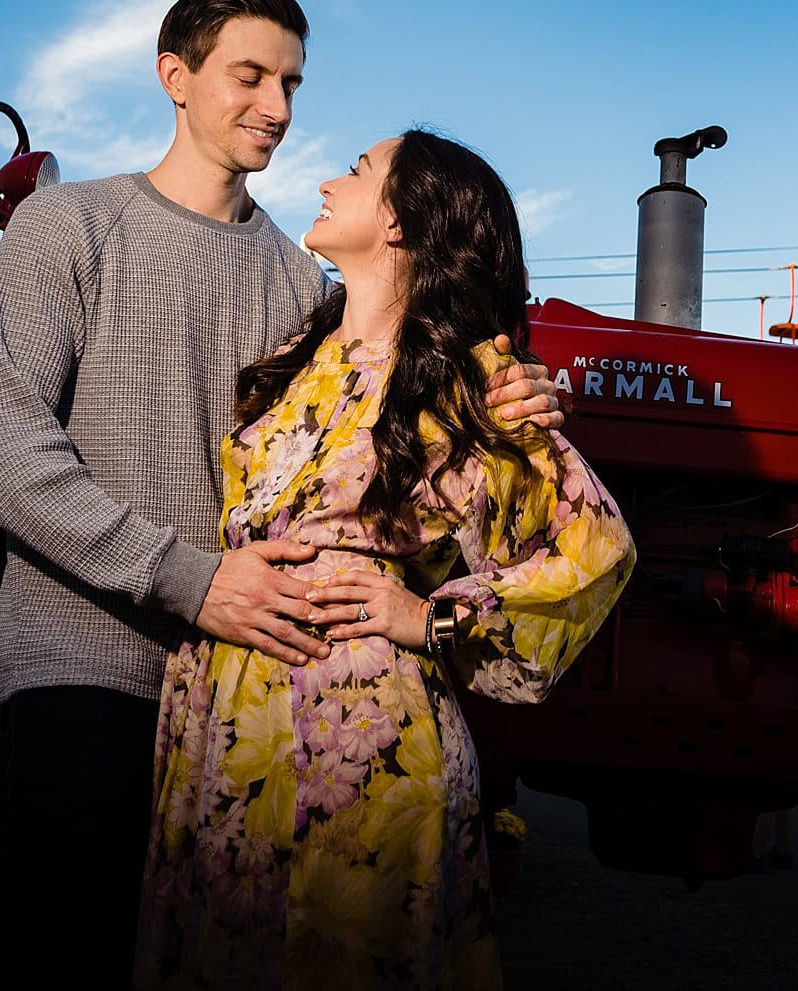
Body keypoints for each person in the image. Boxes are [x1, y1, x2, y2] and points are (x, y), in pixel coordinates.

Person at [0, 0, 562, 986]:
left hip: (250, 694)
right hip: (88, 663)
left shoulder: (308, 286)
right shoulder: (69, 226)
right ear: (175, 77)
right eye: (249, 75)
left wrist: (513, 386)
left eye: (289, 82)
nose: (275, 105)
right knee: (73, 944)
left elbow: (409, 408)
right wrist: (187, 576)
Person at [134, 130, 636, 990]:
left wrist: (428, 614)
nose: (331, 177)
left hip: (357, 744)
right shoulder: (305, 351)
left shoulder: (474, 380)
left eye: (360, 171)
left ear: (402, 222)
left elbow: (598, 546)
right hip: (223, 720)